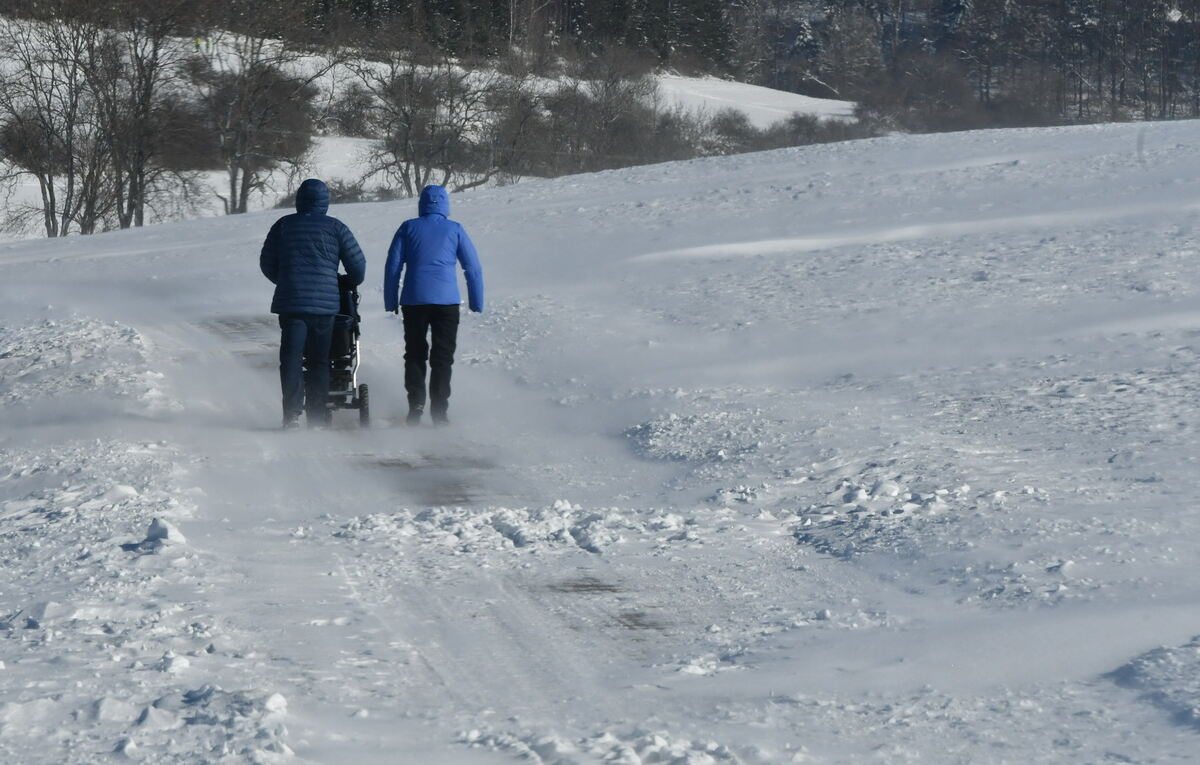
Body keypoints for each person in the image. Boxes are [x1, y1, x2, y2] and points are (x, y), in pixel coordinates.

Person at [260, 178, 366, 429]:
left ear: (299, 200)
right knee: (320, 361)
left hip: (292, 304)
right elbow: (358, 266)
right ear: (325, 201)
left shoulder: (283, 225)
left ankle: (292, 415)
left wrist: (285, 280)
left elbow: (266, 263)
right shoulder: (336, 228)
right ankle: (317, 417)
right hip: (325, 307)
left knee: (292, 358)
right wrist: (345, 282)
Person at [383, 184, 484, 426]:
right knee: (442, 357)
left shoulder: (408, 228)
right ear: (445, 204)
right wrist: (476, 301)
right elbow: (473, 268)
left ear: (422, 204)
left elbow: (393, 267)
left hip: (414, 300)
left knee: (415, 353)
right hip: (446, 303)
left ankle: (416, 404)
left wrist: (391, 300)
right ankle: (439, 411)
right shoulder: (455, 229)